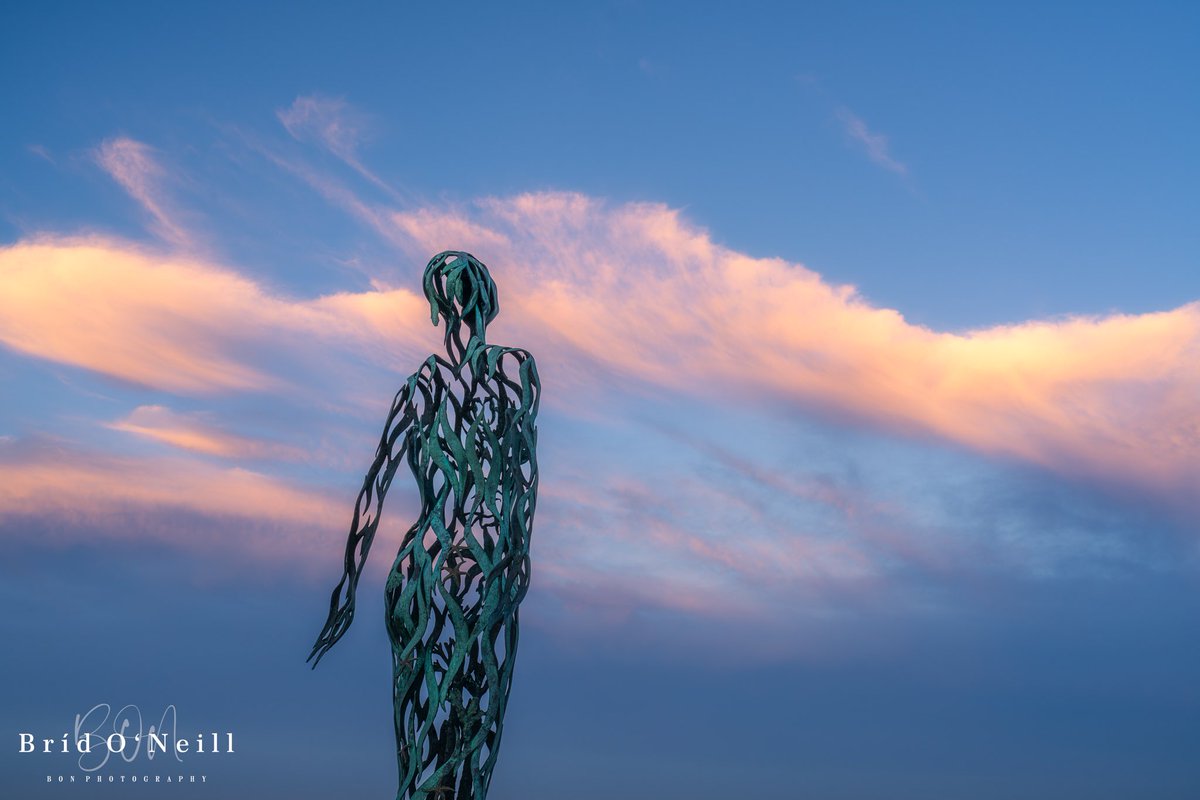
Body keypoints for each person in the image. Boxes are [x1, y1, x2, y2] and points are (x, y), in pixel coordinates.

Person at [309, 251, 540, 800]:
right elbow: (521, 483)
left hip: (450, 570)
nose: (458, 313)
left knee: (442, 729)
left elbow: (372, 491)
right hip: (460, 572)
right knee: (456, 727)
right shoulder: (501, 375)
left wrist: (346, 593)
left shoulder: (435, 385)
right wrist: (514, 562)